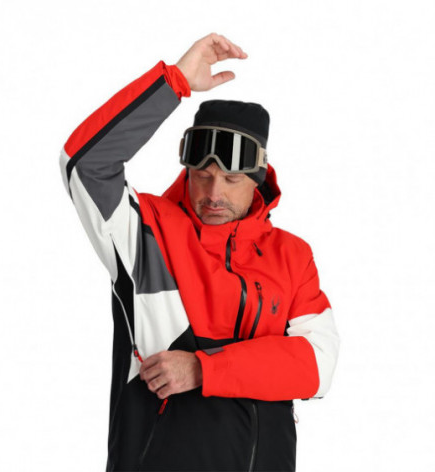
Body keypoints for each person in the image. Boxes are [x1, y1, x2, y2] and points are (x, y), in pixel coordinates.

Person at [59, 33, 340, 472]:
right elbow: (85, 164)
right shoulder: (145, 234)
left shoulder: (292, 255)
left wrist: (203, 369)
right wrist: (174, 83)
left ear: (258, 179)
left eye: (231, 180)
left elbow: (318, 366)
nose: (213, 194)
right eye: (202, 175)